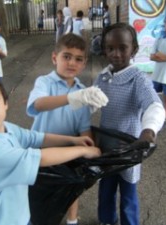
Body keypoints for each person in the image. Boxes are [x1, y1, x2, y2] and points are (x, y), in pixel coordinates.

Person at [0, 71, 101, 225]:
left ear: (5, 103)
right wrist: (84, 150)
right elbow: (40, 157)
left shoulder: (5, 128)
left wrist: (73, 140)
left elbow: (36, 138)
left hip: (20, 217)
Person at [26, 33, 108, 225]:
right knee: (40, 193)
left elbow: (84, 128)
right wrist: (73, 98)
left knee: (72, 188)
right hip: (43, 151)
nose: (72, 63)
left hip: (70, 151)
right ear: (55, 58)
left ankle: (72, 221)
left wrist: (89, 152)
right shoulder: (44, 82)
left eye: (78, 59)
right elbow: (38, 104)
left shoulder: (82, 91)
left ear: (85, 63)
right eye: (67, 56)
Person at [94, 23, 166, 225]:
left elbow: (154, 105)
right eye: (110, 48)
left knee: (128, 192)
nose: (116, 54)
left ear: (133, 49)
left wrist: (149, 130)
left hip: (130, 149)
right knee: (105, 189)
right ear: (104, 49)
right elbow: (89, 102)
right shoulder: (102, 78)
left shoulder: (139, 80)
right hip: (106, 149)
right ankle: (107, 220)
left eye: (122, 48)